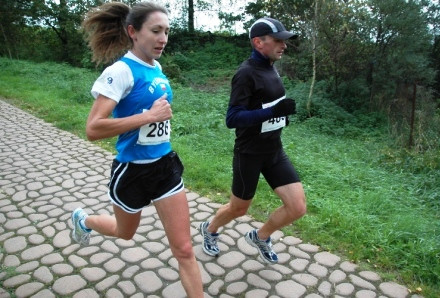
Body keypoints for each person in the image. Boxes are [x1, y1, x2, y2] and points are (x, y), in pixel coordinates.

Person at [70, 2, 203, 297]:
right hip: (132, 171)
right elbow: (93, 128)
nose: (163, 39)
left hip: (165, 168)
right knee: (125, 233)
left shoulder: (157, 68)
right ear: (133, 32)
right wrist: (148, 117)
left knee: (183, 248)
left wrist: (154, 119)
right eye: (156, 31)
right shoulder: (120, 72)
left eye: (166, 32)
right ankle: (84, 220)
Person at [200, 17, 307, 264]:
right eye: (278, 40)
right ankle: (210, 228)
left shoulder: (271, 66)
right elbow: (232, 118)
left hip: (274, 150)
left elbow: (266, 105)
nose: (284, 45)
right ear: (258, 42)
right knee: (239, 208)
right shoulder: (245, 73)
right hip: (249, 153)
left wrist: (280, 117)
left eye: (284, 40)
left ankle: (260, 236)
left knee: (297, 207)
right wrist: (271, 113)